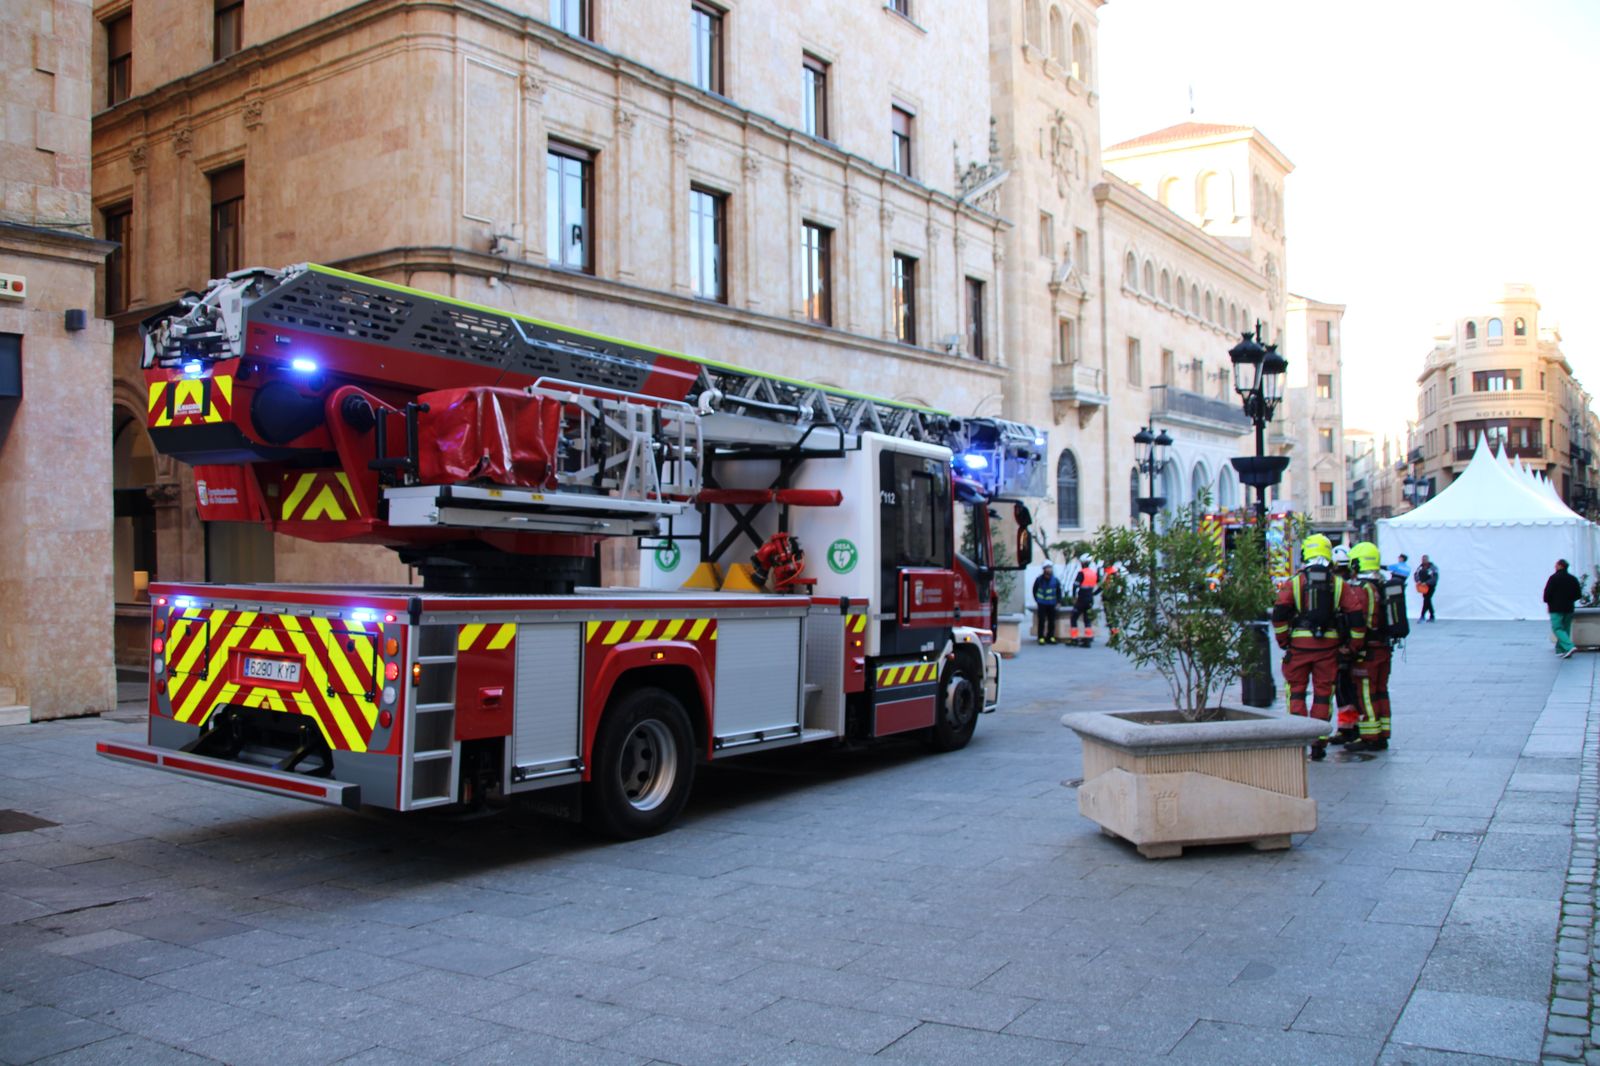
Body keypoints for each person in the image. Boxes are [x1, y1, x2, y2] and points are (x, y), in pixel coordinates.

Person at [1272, 534, 1368, 760]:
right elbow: (1356, 618)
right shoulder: (1338, 584)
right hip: (1328, 648)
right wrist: (1352, 647)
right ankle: (1319, 742)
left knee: (1295, 692)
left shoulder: (1294, 583)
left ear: (1305, 553)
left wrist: (1284, 641)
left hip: (1298, 648)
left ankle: (1299, 739)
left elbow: (1279, 615)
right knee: (1323, 694)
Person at [1346, 541, 1401, 752]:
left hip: (1367, 651)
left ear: (1357, 563)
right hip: (1384, 648)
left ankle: (1370, 735)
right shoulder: (1383, 585)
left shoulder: (1362, 590)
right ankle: (1383, 732)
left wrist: (1352, 647)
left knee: (1366, 693)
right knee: (1381, 691)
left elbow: (1360, 622)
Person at [1545, 559, 1583, 659]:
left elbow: (1547, 594)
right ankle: (1560, 649)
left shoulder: (1553, 578)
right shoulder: (1572, 579)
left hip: (1555, 608)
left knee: (1557, 628)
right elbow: (1578, 594)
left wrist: (1549, 603)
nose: (1555, 566)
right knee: (1565, 629)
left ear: (1560, 566)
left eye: (1556, 565)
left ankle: (1569, 646)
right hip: (1569, 607)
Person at [1069, 555, 1099, 641]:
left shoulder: (1081, 573)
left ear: (1082, 563)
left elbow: (1075, 585)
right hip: (1090, 599)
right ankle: (1088, 638)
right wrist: (1094, 593)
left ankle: (1074, 638)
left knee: (1074, 617)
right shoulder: (1093, 573)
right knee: (1087, 619)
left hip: (1082, 599)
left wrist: (1074, 596)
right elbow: (1100, 585)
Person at [1033, 562, 1063, 644]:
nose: (1049, 569)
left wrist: (1059, 601)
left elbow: (1058, 591)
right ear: (1044, 569)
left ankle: (1051, 637)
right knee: (1041, 621)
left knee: (1051, 621)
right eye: (1047, 568)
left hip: (1052, 603)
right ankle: (1041, 637)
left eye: (1050, 567)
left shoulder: (1055, 580)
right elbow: (1034, 590)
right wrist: (1037, 600)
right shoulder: (1039, 579)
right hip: (1042, 603)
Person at [1414, 555, 1439, 622]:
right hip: (1423, 586)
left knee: (1426, 599)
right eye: (1422, 559)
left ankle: (1423, 616)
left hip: (1430, 586)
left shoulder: (1433, 568)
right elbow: (1416, 574)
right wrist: (1418, 581)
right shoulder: (1420, 567)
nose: (1423, 560)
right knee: (1427, 600)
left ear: (1428, 559)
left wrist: (1427, 582)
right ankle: (1432, 616)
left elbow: (1435, 578)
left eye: (1425, 559)